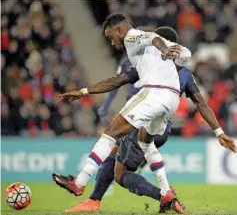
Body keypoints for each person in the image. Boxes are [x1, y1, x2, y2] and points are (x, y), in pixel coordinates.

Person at [53, 26, 236, 214]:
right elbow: (201, 104)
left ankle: (162, 197)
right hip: (163, 125)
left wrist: (85, 92)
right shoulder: (186, 73)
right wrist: (219, 132)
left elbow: (118, 81)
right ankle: (98, 200)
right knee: (116, 150)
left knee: (121, 171)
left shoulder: (150, 63)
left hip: (142, 118)